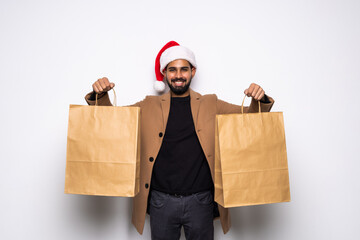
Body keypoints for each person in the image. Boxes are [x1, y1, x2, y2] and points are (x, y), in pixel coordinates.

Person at [85, 41, 274, 240]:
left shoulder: (211, 103)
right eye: (172, 70)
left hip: (201, 201)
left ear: (193, 71)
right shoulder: (149, 105)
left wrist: (259, 99)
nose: (178, 76)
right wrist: (100, 95)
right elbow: (113, 121)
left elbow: (250, 119)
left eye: (184, 69)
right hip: (161, 202)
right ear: (165, 73)